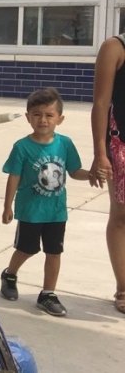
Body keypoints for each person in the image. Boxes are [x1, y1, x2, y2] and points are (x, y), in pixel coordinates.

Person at [0, 88, 91, 317]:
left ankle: (48, 294)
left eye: (49, 115)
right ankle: (10, 274)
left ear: (60, 119)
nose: (43, 120)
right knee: (26, 248)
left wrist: (90, 174)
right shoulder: (22, 147)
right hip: (30, 211)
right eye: (37, 114)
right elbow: (14, 176)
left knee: (54, 252)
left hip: (56, 212)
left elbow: (74, 171)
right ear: (28, 116)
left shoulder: (65, 144)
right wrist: (7, 206)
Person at [89, 33, 125, 315]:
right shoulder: (115, 47)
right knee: (121, 216)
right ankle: (123, 287)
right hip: (120, 143)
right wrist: (100, 151)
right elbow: (101, 103)